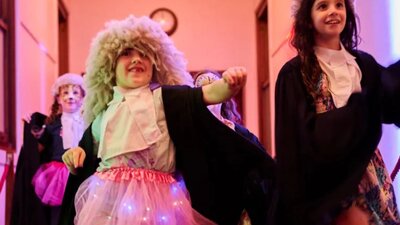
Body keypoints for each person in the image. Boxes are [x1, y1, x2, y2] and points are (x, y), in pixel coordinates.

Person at [59, 15, 275, 225]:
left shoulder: (165, 98)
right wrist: (77, 155)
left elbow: (203, 95)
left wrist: (228, 85)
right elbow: (88, 152)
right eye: (126, 53)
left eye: (144, 54)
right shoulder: (105, 115)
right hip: (108, 203)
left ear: (156, 64)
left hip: (159, 203)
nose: (136, 59)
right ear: (109, 68)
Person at [275, 0, 400, 224]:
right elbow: (293, 149)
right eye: (323, 6)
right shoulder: (293, 73)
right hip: (325, 188)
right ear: (308, 17)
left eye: (339, 5)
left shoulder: (363, 64)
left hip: (371, 178)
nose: (333, 11)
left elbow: (390, 101)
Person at [194, 70, 276, 225]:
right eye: (203, 89)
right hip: (203, 210)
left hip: (240, 210)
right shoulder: (190, 134)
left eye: (214, 86)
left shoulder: (240, 133)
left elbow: (264, 168)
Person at [12, 73, 86, 225]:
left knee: (81, 210)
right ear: (58, 98)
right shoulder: (53, 124)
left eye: (75, 92)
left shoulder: (86, 122)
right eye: (65, 93)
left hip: (80, 171)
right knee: (56, 215)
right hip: (57, 175)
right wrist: (32, 125)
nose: (70, 97)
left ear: (83, 97)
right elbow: (41, 141)